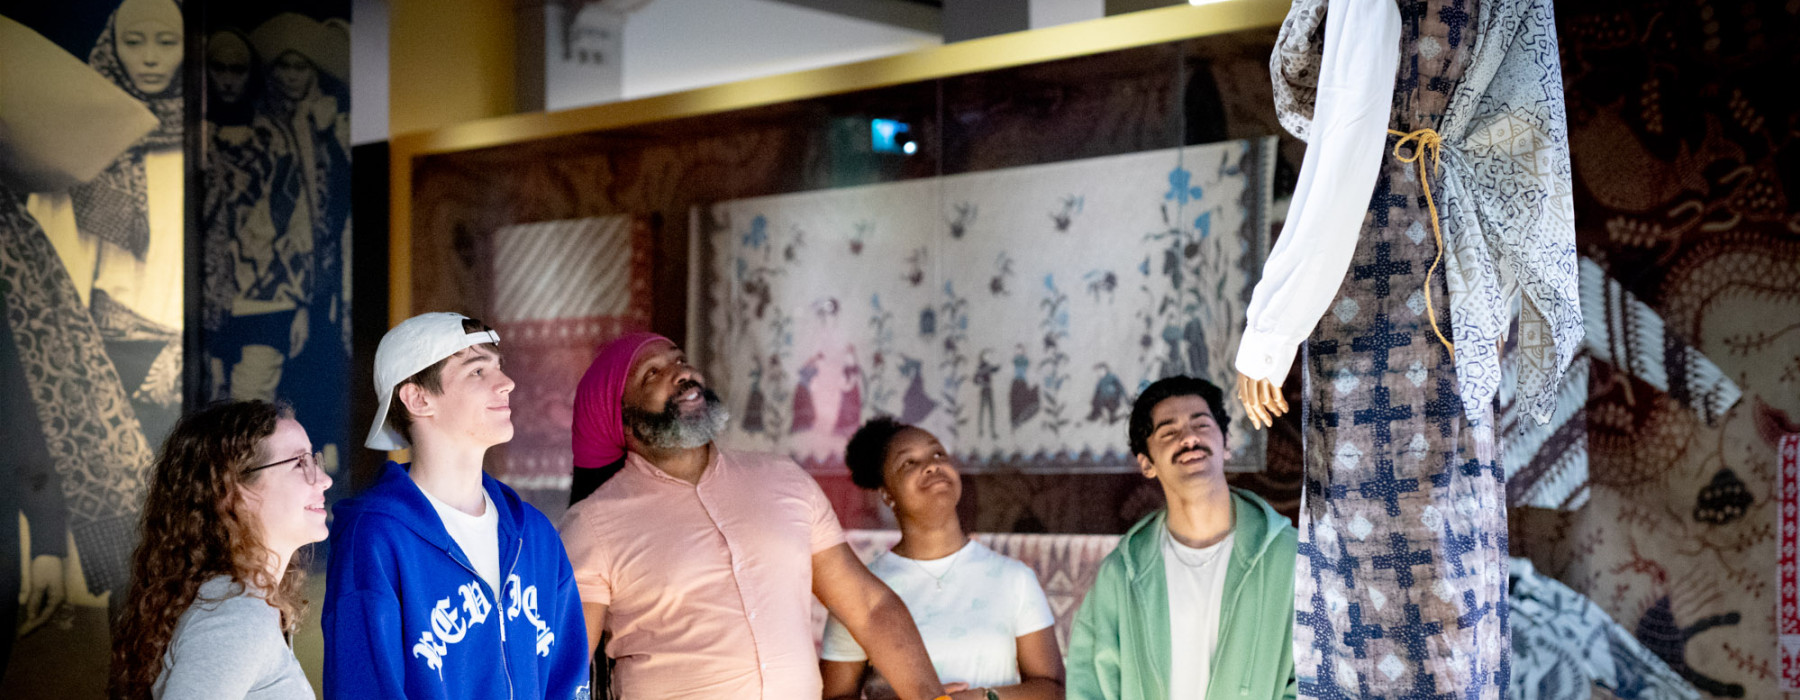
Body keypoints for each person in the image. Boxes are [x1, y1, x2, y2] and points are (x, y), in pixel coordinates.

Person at [558, 333, 948, 699]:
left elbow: (869, 607)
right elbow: (566, 670)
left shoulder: (783, 479)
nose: (682, 373)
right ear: (621, 419)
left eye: (680, 360)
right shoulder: (594, 524)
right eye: (653, 374)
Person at [322, 312, 588, 699]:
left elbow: (568, 678)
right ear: (418, 398)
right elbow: (363, 686)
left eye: (498, 367)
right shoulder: (375, 538)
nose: (507, 383)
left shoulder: (535, 535)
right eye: (477, 371)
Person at [1067, 376, 1296, 700]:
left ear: (1227, 443)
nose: (1189, 438)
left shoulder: (1290, 558)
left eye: (1201, 424)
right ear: (1147, 463)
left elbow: (1315, 676)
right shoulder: (1121, 574)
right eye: (1169, 431)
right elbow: (1088, 686)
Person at [822, 417, 1065, 700]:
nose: (932, 465)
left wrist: (979, 698)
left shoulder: (1014, 579)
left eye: (938, 454)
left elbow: (1054, 691)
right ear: (887, 494)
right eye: (909, 463)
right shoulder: (861, 590)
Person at [111, 400, 330, 699]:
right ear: (232, 492)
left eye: (314, 461)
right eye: (299, 464)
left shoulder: (240, 605)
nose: (324, 479)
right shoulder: (237, 616)